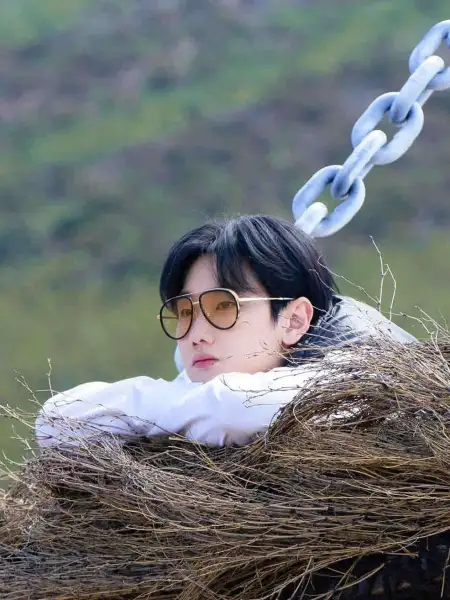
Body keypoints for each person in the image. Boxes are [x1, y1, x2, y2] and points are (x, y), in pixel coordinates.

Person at [35, 215, 415, 449]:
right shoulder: (218, 374)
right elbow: (58, 420)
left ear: (295, 320)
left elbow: (234, 409)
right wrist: (187, 398)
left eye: (224, 306)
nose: (197, 334)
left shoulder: (366, 364)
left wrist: (170, 405)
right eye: (185, 312)